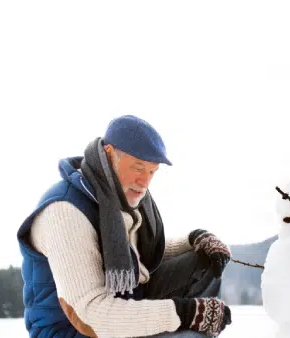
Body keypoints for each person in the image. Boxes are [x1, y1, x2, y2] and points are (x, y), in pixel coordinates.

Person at [17, 115, 233, 337]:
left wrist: (193, 240)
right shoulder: (65, 212)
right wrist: (184, 314)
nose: (145, 183)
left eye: (152, 171)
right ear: (110, 155)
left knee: (203, 261)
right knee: (189, 335)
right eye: (138, 168)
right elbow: (90, 316)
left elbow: (134, 255)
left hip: (124, 301)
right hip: (76, 330)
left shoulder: (114, 196)